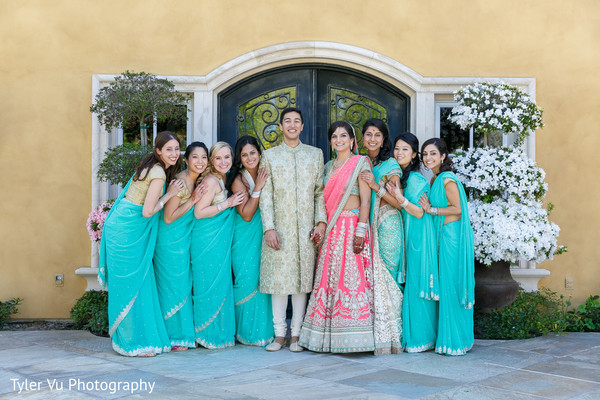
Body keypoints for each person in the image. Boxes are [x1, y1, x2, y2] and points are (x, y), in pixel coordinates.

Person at [99, 131, 183, 357]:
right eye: (169, 149)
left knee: (134, 283)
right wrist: (170, 194)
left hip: (123, 227)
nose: (174, 154)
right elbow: (147, 211)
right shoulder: (158, 173)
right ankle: (131, 343)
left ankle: (130, 340)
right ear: (158, 151)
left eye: (177, 149)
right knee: (132, 285)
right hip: (127, 232)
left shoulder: (152, 166)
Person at [299, 121, 374, 353]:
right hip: (331, 230)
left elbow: (366, 200)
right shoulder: (328, 166)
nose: (339, 140)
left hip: (352, 226)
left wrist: (361, 230)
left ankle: (354, 337)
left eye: (344, 136)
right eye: (334, 136)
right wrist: (321, 226)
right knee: (328, 280)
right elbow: (320, 199)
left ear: (353, 140)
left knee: (351, 279)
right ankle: (325, 337)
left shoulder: (361, 163)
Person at [259, 107, 327, 352]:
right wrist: (268, 228)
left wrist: (320, 223)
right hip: (280, 227)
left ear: (302, 126)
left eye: (296, 121)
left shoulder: (315, 154)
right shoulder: (270, 155)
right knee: (280, 281)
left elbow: (320, 192)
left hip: (306, 228)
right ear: (280, 126)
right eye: (287, 121)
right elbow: (265, 195)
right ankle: (279, 334)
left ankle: (297, 333)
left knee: (301, 281)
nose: (291, 125)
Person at [418, 138, 474, 356]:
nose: (428, 158)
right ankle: (450, 338)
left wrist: (431, 210)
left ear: (443, 156)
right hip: (443, 237)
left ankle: (455, 342)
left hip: (451, 238)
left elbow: (458, 209)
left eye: (433, 153)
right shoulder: (435, 178)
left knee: (451, 287)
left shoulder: (446, 179)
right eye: (425, 154)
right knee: (446, 286)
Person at [387, 133, 439, 353]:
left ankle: (421, 338)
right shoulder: (405, 176)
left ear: (414, 154)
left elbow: (418, 212)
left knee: (418, 282)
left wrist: (399, 198)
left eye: (405, 149)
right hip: (409, 233)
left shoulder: (416, 179)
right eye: (397, 148)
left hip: (419, 235)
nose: (399, 153)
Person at [153, 142, 208, 351]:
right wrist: (193, 200)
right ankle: (174, 335)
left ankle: (182, 334)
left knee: (183, 284)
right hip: (169, 240)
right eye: (195, 157)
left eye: (204, 157)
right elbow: (168, 217)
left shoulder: (198, 179)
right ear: (186, 160)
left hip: (183, 238)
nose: (200, 161)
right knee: (173, 285)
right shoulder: (180, 182)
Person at [191, 141, 246, 349]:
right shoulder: (212, 181)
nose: (224, 161)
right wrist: (228, 203)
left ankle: (218, 333)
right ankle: (206, 333)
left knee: (220, 283)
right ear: (212, 161)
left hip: (219, 242)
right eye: (218, 158)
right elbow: (199, 212)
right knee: (208, 284)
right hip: (206, 241)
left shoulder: (223, 180)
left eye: (227, 157)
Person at [358, 118, 404, 354]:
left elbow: (398, 202)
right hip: (368, 226)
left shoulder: (390, 165)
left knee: (386, 277)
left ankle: (391, 337)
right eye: (368, 134)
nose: (372, 139)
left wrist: (376, 186)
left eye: (377, 135)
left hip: (387, 225)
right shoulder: (362, 161)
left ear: (384, 138)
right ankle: (374, 335)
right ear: (363, 137)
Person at [226, 135, 275, 346]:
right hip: (245, 234)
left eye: (252, 153)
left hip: (264, 232)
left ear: (259, 152)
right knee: (247, 280)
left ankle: (263, 331)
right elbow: (245, 214)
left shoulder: (267, 169)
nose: (249, 158)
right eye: (244, 155)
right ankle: (246, 332)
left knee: (263, 279)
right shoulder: (239, 178)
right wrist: (258, 188)